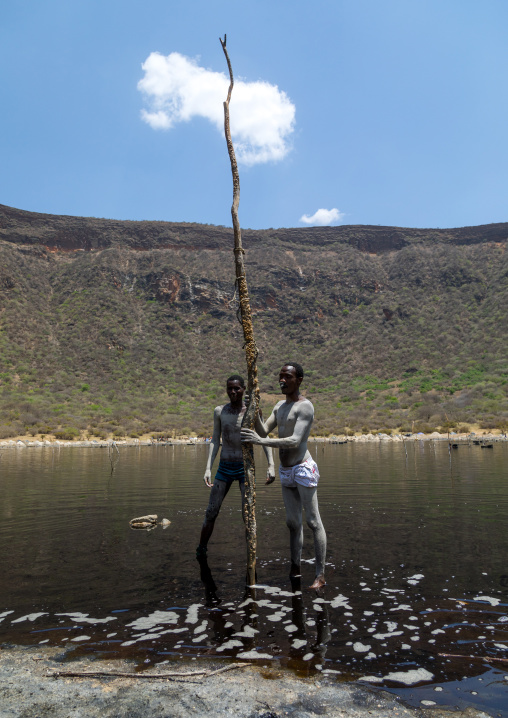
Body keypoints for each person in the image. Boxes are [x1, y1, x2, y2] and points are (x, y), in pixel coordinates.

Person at [240, 363, 327, 589]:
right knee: (292, 522)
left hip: (302, 467)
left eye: (287, 377)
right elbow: (263, 431)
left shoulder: (305, 407)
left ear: (298, 380)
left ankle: (320, 574)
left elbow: (295, 440)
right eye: (280, 377)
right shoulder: (279, 407)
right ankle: (295, 567)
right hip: (286, 470)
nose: (282, 380)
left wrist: (261, 442)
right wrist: (255, 411)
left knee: (312, 521)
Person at [197, 374, 275, 557]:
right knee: (211, 511)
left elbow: (263, 437)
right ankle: (201, 549)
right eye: (229, 388)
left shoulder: (251, 411)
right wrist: (208, 467)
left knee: (247, 513)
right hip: (224, 467)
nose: (233, 392)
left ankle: (251, 553)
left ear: (243, 390)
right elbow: (215, 439)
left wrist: (271, 465)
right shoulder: (220, 411)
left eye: (237, 388)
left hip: (245, 468)